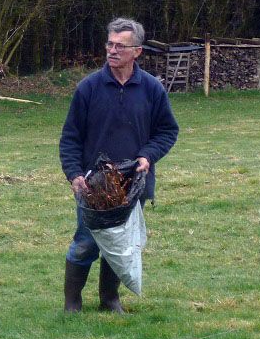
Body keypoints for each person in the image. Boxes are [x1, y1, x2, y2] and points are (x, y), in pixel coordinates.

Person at [59, 18, 179, 313]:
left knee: (120, 245)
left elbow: (167, 131)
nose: (112, 50)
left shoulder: (151, 89)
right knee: (85, 242)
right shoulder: (89, 88)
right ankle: (72, 303)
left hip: (131, 184)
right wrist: (74, 174)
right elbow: (70, 137)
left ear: (137, 51)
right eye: (109, 44)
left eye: (120, 46)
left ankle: (109, 300)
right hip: (92, 184)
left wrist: (147, 155)